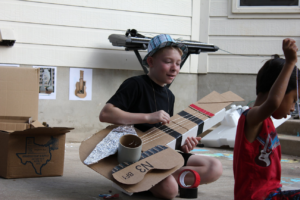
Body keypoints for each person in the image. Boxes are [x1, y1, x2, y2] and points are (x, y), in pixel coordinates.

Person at [100, 34, 222, 199]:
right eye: (168, 62)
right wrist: (148, 117)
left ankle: (151, 179)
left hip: (162, 153)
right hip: (138, 156)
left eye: (178, 63)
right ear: (150, 62)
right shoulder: (135, 84)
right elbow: (106, 114)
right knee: (170, 191)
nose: (174, 68)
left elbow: (164, 134)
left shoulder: (169, 95)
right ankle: (131, 177)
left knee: (214, 167)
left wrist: (183, 144)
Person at [233, 38, 299, 200]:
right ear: (279, 91)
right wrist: (290, 62)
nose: (293, 108)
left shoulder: (266, 122)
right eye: (293, 100)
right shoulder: (252, 118)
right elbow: (274, 102)